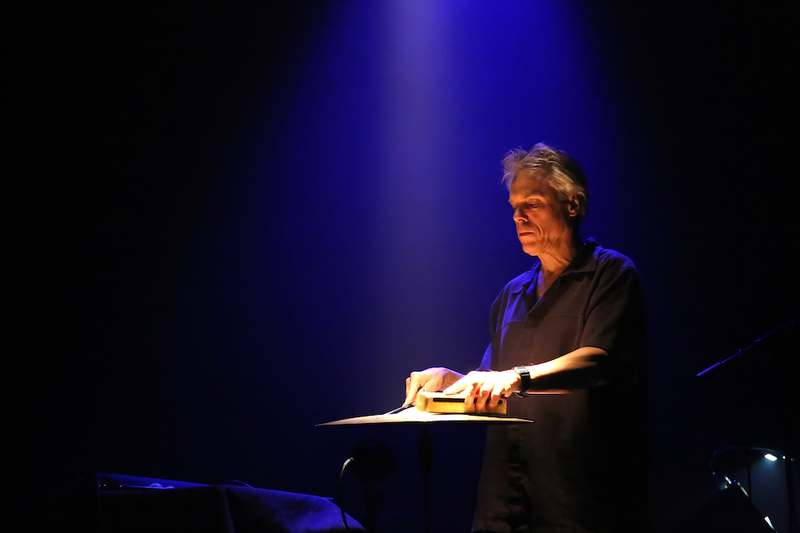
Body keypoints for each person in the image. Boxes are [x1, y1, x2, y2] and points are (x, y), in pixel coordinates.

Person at [404, 143, 649, 533]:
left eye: (532, 204)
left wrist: (516, 378)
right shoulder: (512, 293)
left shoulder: (611, 273)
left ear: (573, 204)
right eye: (514, 207)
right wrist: (450, 381)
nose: (518, 217)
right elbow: (492, 380)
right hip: (504, 501)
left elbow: (600, 360)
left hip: (578, 500)